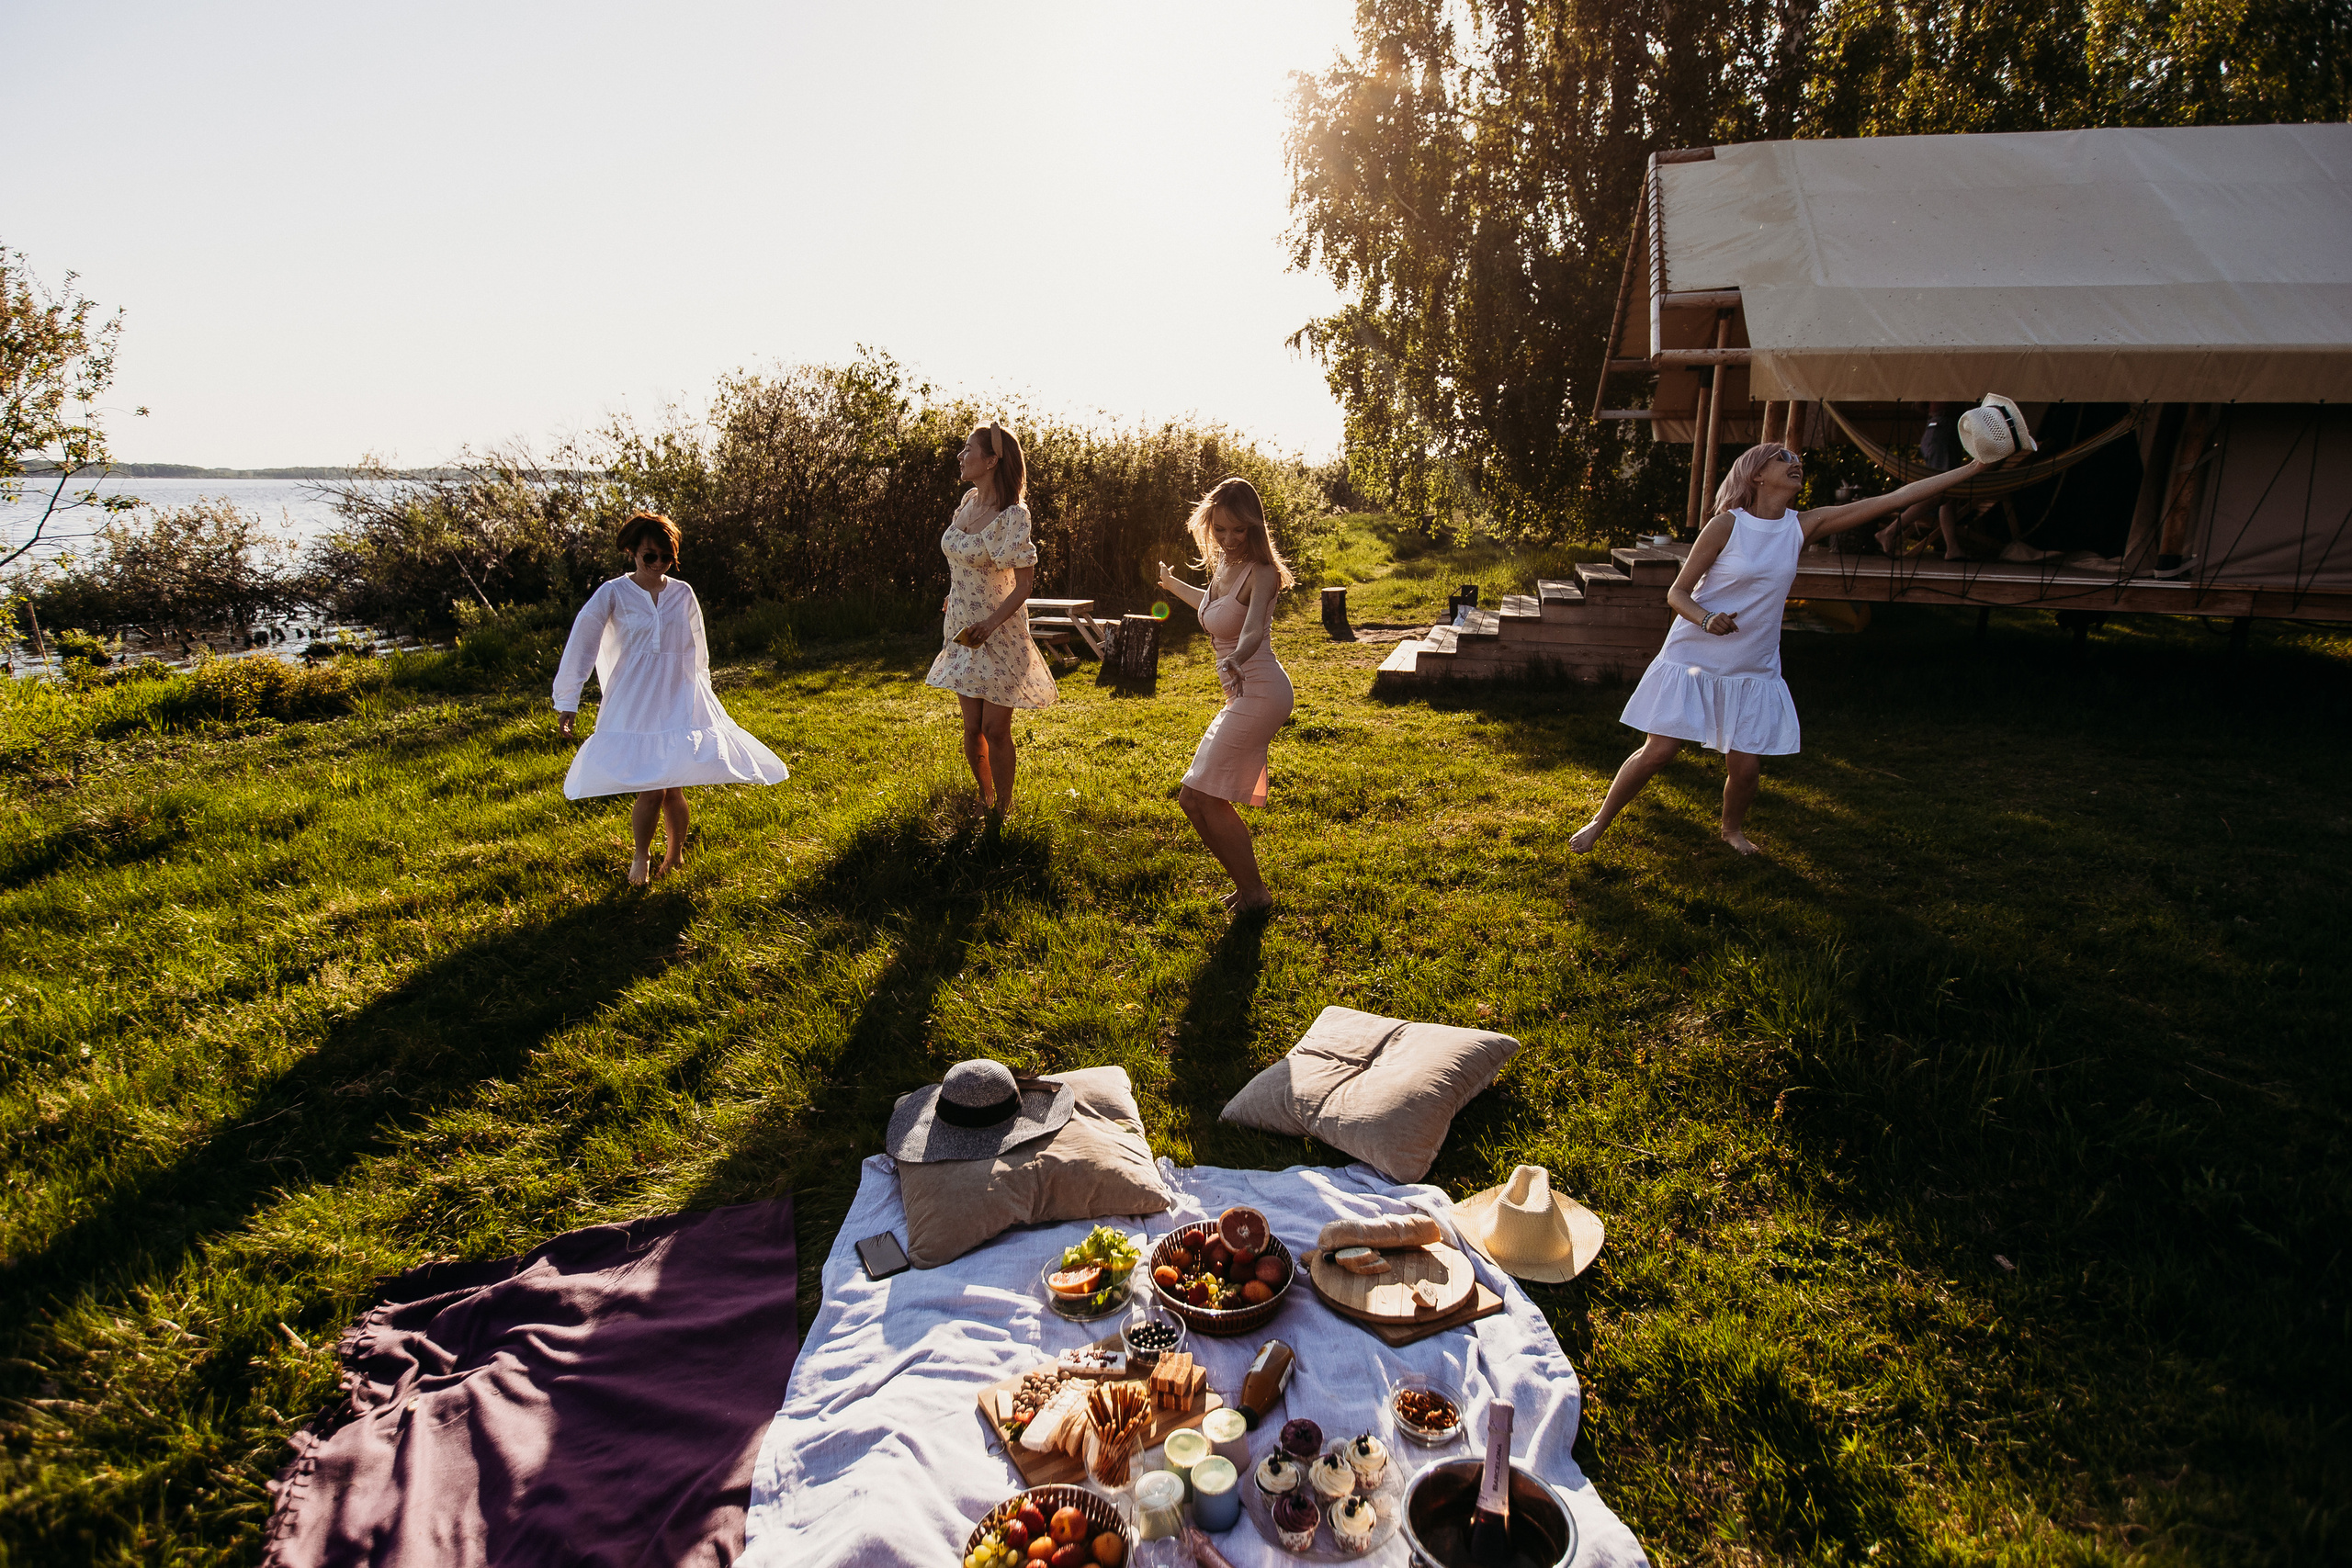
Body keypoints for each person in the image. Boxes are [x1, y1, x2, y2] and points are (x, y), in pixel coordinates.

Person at [1570, 442, 1996, 857]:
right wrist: (1704, 617)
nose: (1797, 462)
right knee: (1659, 751)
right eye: (1784, 458)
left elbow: (1896, 498)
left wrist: (1975, 468)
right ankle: (1600, 821)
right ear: (1757, 474)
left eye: (1797, 458)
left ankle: (1731, 830)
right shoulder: (1726, 526)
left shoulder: (1803, 525)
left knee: (1747, 767)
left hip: (1752, 661)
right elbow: (1677, 593)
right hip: (1695, 652)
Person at [554, 512, 789, 885]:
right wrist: (568, 699)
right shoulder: (613, 593)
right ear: (632, 552)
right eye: (651, 556)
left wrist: (703, 692)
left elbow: (699, 648)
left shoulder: (683, 593)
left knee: (674, 784)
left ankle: (675, 854)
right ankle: (641, 858)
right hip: (637, 700)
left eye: (667, 557)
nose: (659, 564)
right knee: (653, 787)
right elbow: (583, 643)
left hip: (679, 694)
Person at [1156, 477, 1295, 913]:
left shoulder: (1264, 573)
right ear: (1209, 526)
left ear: (1255, 527)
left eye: (1239, 530)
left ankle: (1256, 895)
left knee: (1204, 795)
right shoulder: (1224, 569)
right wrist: (1170, 585)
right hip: (1241, 694)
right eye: (1221, 530)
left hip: (1261, 690)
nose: (1230, 539)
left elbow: (1252, 626)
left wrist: (1237, 655)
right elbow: (1215, 607)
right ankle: (1246, 887)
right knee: (1191, 799)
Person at [924, 422, 1057, 818]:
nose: (962, 457)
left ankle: (1004, 808)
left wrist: (991, 623)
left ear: (992, 460)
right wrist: (954, 594)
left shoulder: (1013, 516)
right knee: (972, 728)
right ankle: (984, 799)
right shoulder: (967, 502)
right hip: (962, 629)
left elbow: (1023, 585)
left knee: (996, 729)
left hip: (999, 632)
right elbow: (962, 562)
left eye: (969, 450)